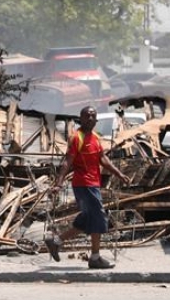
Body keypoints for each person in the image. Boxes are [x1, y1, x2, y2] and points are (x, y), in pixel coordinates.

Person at [45, 105, 129, 269]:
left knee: (87, 219)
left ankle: (56, 242)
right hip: (83, 185)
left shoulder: (96, 137)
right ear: (81, 119)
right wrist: (59, 183)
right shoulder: (77, 138)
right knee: (98, 217)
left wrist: (119, 174)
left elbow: (103, 159)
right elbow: (67, 161)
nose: (90, 118)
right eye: (87, 116)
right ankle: (95, 258)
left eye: (92, 116)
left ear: (96, 119)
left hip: (93, 184)